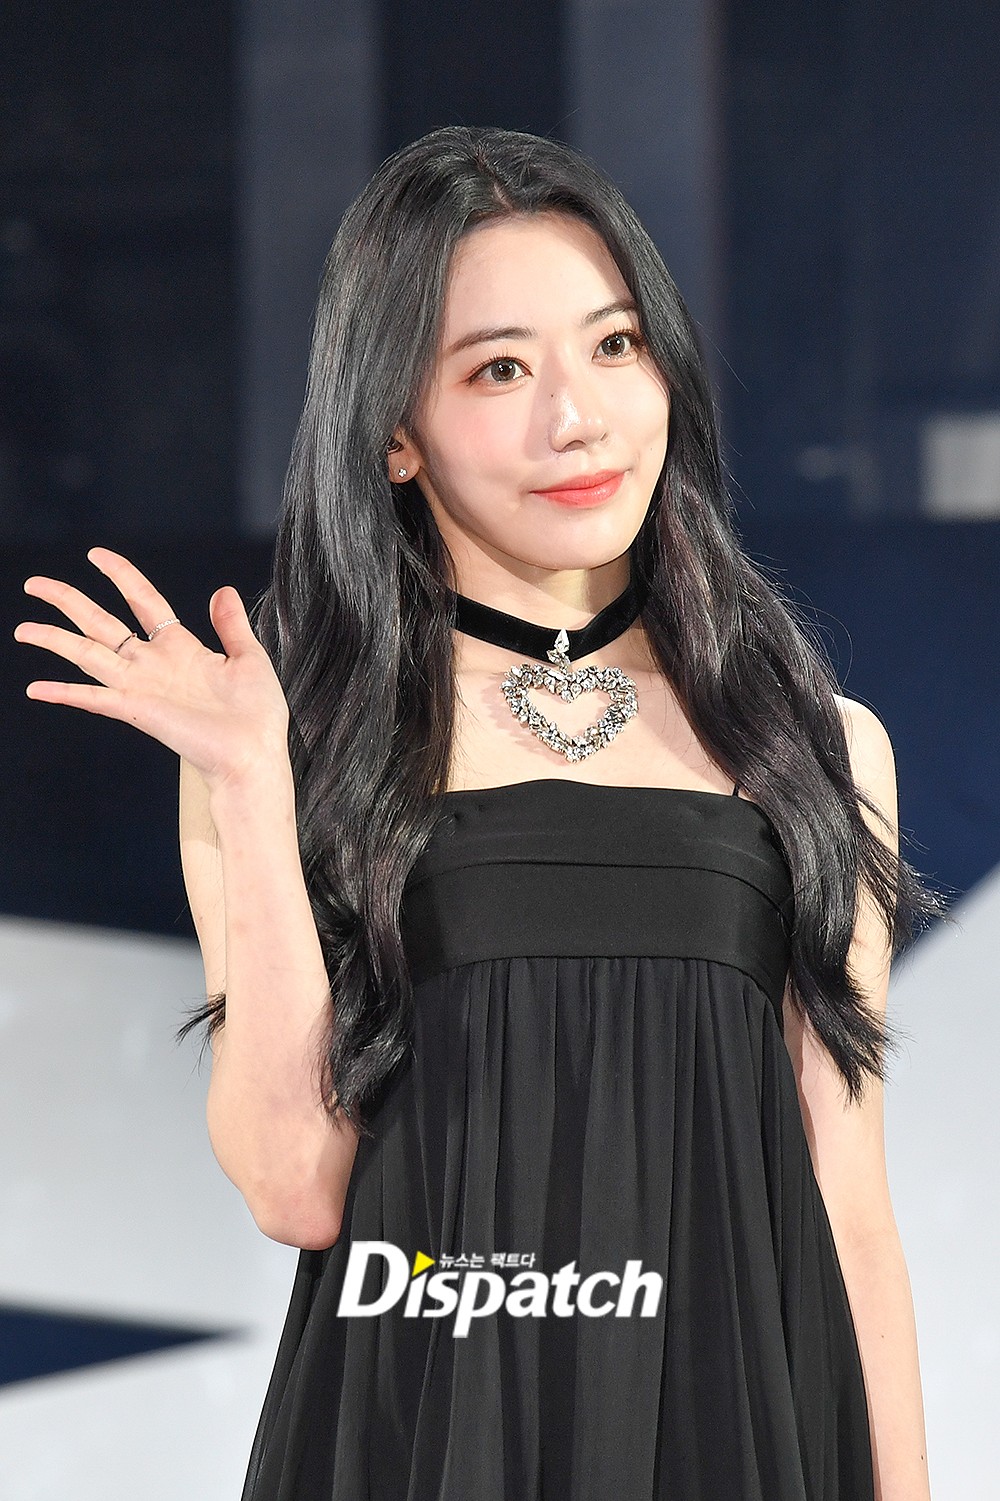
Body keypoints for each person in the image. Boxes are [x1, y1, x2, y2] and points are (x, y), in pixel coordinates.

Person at [13, 125, 942, 1499]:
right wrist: (255, 788)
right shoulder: (298, 748)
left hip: (736, 1437)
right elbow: (294, 1184)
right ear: (394, 432)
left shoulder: (812, 746)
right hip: (421, 1434)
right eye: (501, 368)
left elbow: (849, 1205)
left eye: (615, 346)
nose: (579, 418)